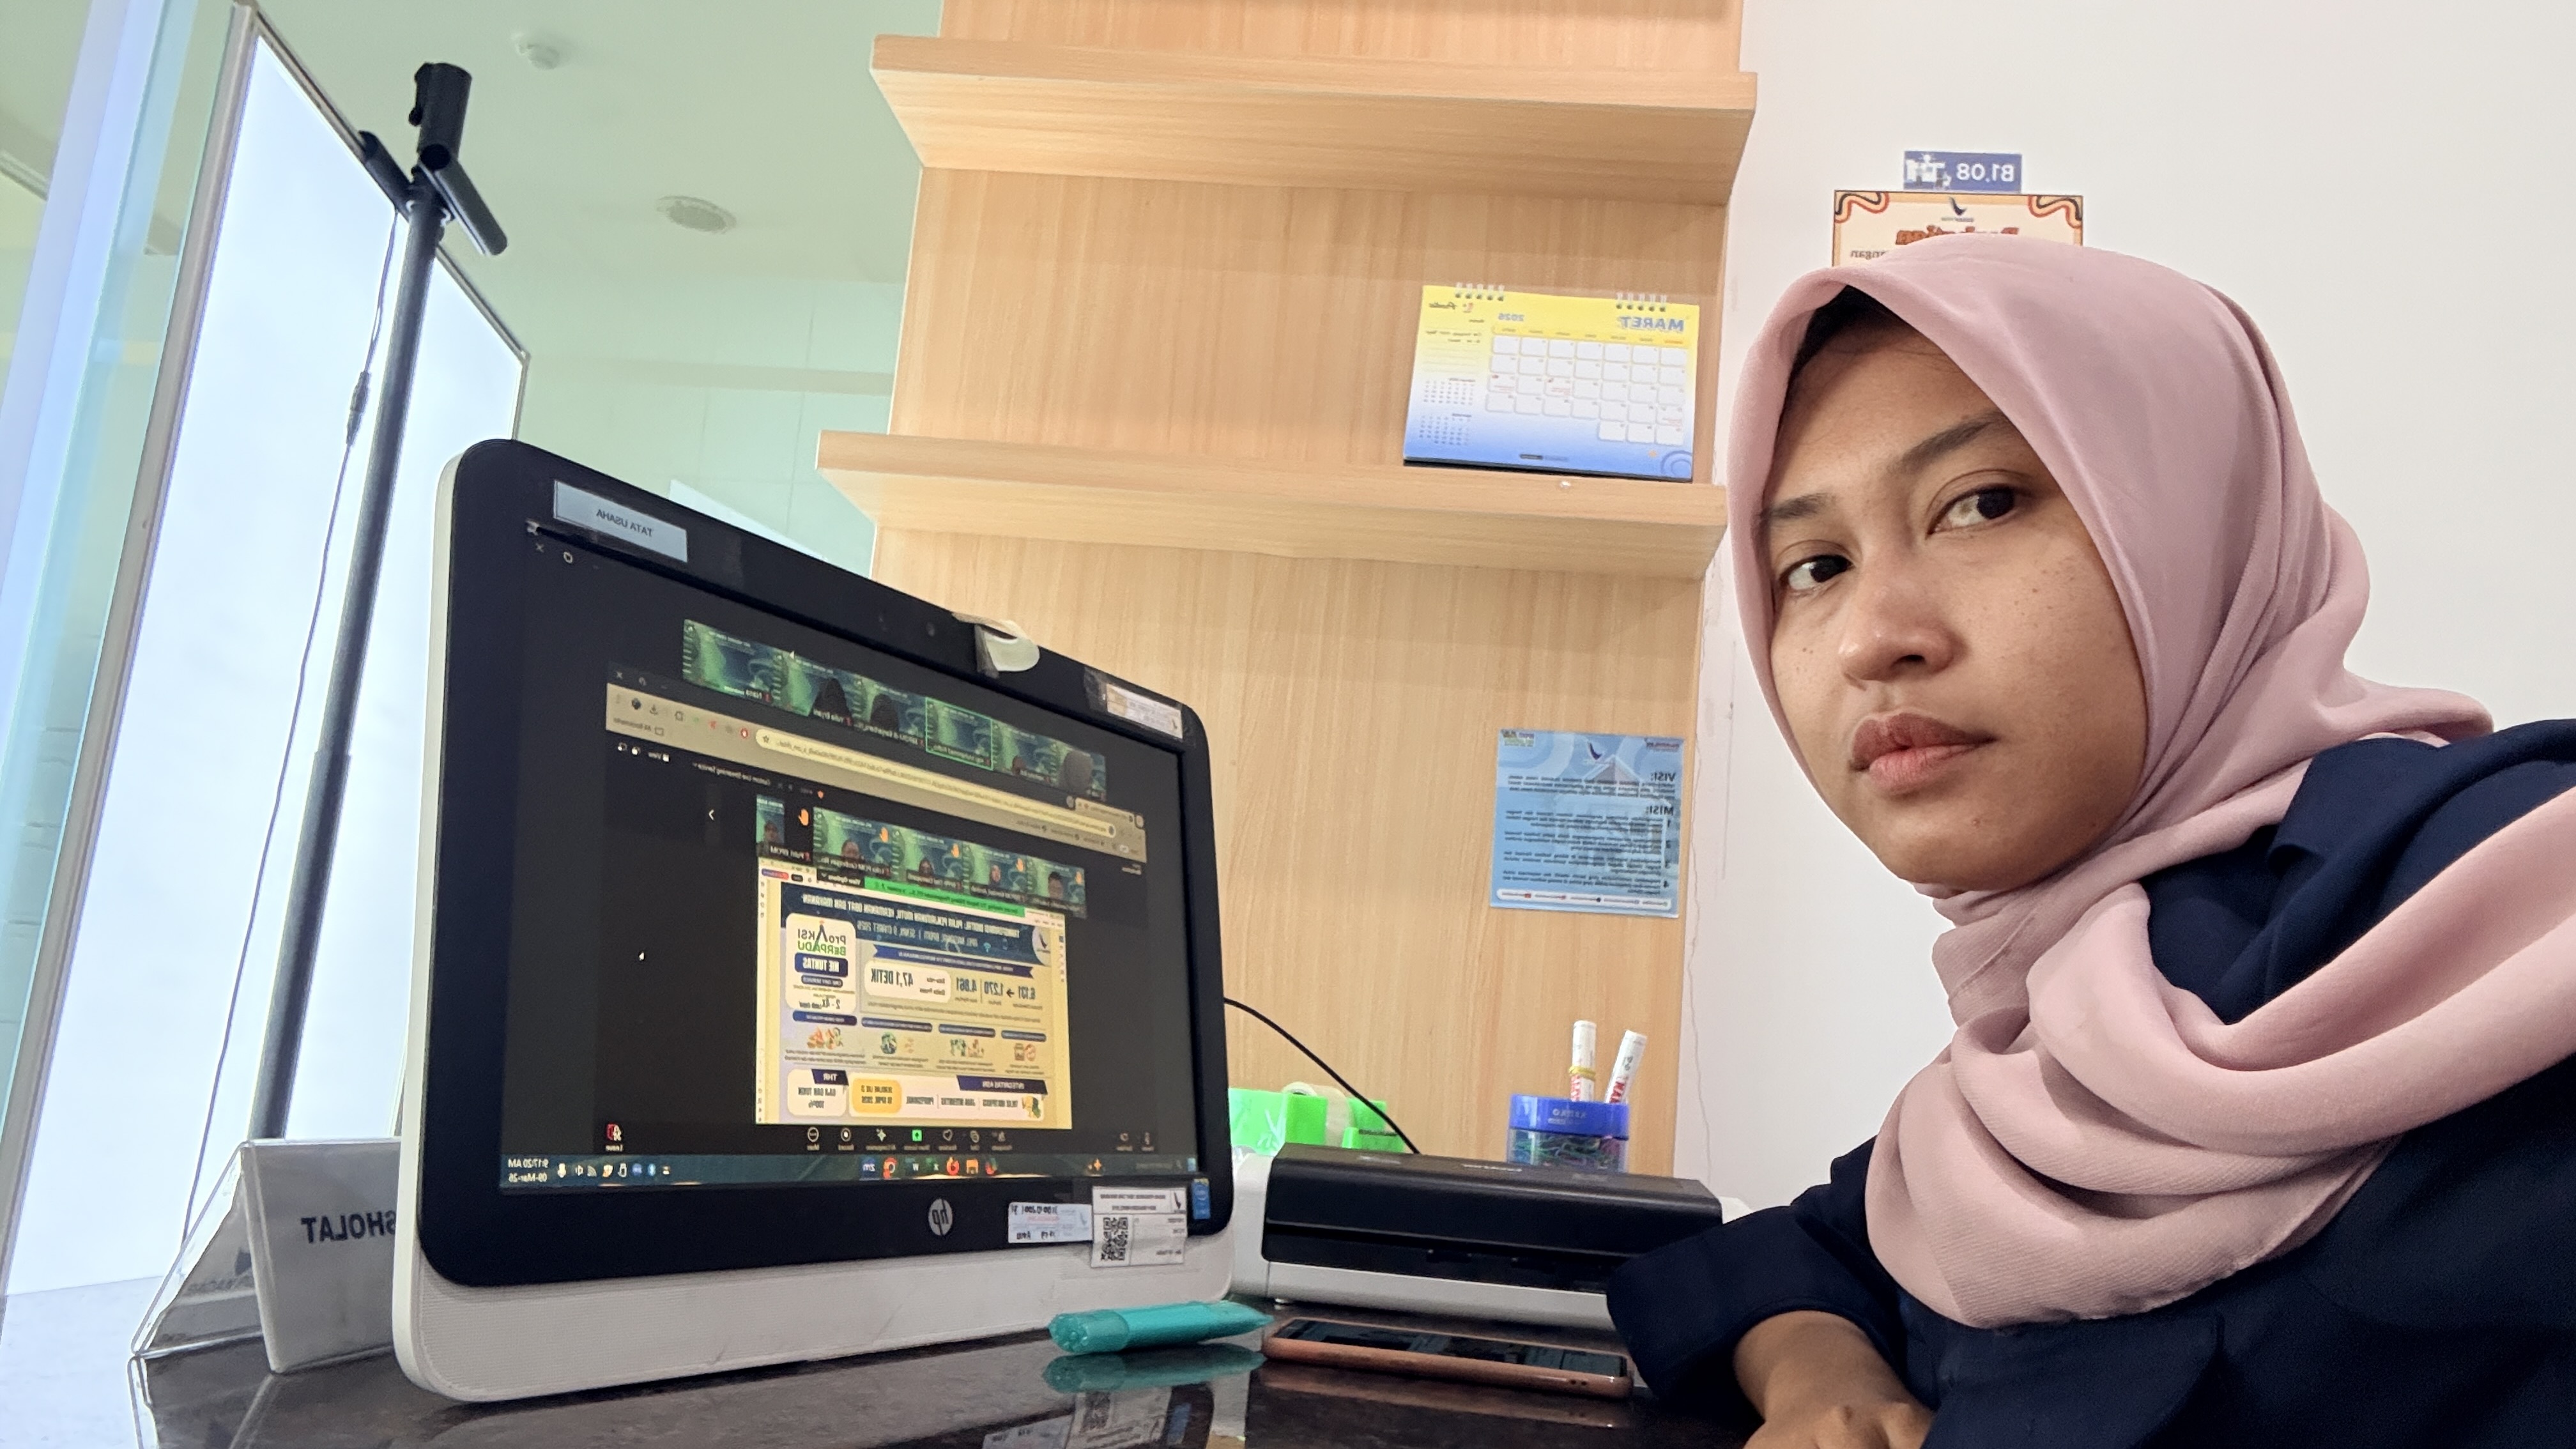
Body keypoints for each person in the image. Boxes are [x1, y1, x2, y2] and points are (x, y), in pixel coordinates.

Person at [1607, 234, 2576, 1448]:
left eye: (1982, 504)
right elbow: (1800, 1251)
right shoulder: (2049, 1035)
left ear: (2195, 521)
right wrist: (1818, 1371)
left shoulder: (2499, 888)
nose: (1869, 637)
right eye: (1813, 567)